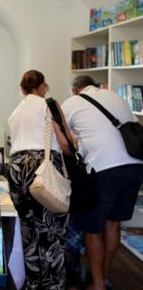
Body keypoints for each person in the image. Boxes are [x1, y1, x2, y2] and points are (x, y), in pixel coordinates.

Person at [61, 75, 143, 290]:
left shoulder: (72, 103)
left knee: (92, 228)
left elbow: (63, 140)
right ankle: (103, 276)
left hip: (104, 170)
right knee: (113, 223)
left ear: (76, 90)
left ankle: (97, 285)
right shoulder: (116, 97)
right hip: (135, 166)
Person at [8, 70, 71, 290]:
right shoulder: (49, 105)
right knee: (50, 231)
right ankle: (52, 285)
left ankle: (33, 284)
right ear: (43, 87)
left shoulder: (16, 112)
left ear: (22, 88)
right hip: (41, 168)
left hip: (16, 169)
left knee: (28, 229)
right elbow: (65, 143)